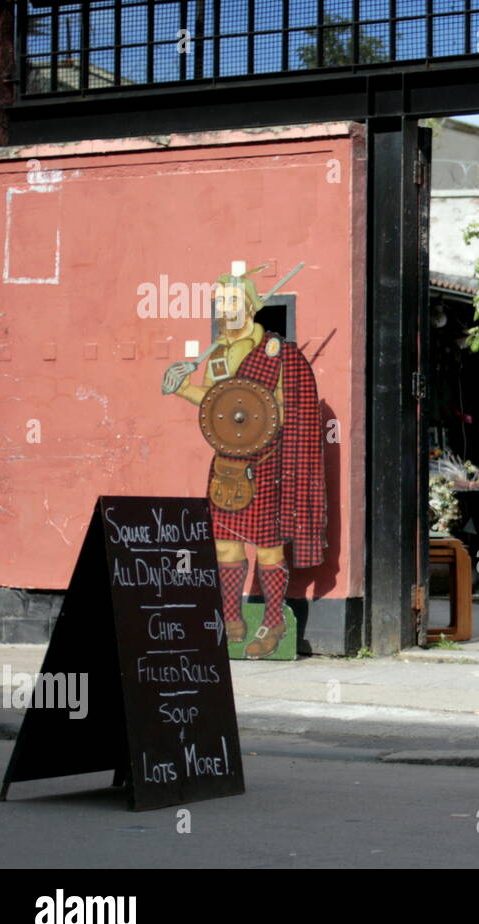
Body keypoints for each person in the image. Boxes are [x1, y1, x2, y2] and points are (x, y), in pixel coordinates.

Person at [163, 263, 326, 659]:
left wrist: (258, 419)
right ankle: (231, 619)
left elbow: (289, 409)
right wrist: (183, 386)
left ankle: (274, 621)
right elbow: (219, 405)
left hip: (268, 462)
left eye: (234, 301)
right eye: (220, 302)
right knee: (224, 546)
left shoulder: (276, 352)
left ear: (251, 306)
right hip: (228, 464)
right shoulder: (218, 354)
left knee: (269, 548)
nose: (226, 309)